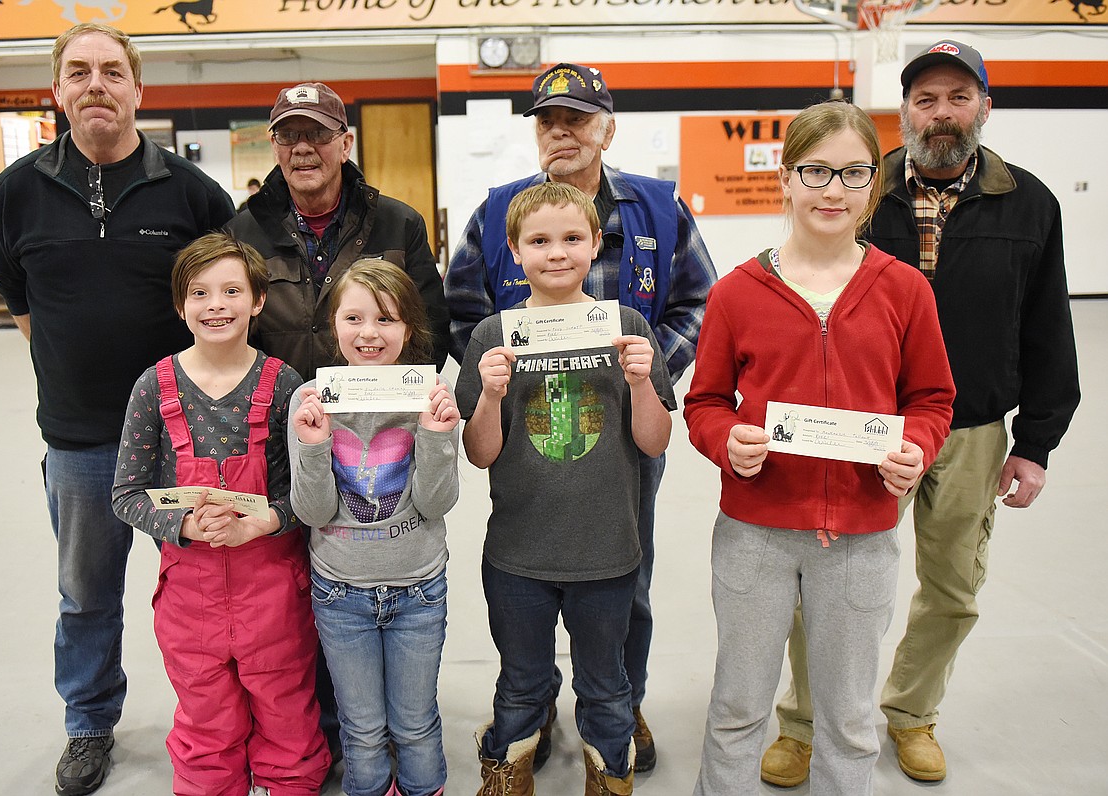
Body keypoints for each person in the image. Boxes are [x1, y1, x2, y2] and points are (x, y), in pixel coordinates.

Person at [762, 41, 1082, 787]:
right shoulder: (866, 196)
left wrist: (1035, 443)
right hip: (862, 426)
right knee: (829, 579)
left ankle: (911, 714)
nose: (941, 113)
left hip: (969, 429)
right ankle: (805, 722)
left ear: (984, 106)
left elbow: (1048, 328)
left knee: (952, 586)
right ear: (904, 110)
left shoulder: (1029, 203)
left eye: (957, 98)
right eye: (926, 100)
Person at [443, 62, 717, 772]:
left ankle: (620, 705)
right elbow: (465, 311)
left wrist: (647, 376)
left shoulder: (659, 207)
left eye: (577, 118)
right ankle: (530, 710)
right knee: (526, 581)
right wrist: (494, 380)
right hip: (527, 440)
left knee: (627, 572)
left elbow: (700, 301)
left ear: (607, 128)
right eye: (547, 120)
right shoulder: (498, 210)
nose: (561, 131)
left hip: (625, 432)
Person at [0, 22, 235, 796]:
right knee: (86, 592)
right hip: (81, 442)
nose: (97, 84)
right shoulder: (20, 187)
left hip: (183, 442)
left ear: (137, 88)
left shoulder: (190, 191)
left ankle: (220, 723)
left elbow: (227, 295)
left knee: (202, 591)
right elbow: (22, 301)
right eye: (80, 72)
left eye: (112, 71)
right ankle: (89, 722)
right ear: (57, 89)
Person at [684, 100, 956, 794]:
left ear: (874, 184)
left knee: (847, 714)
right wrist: (727, 442)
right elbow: (706, 402)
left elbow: (931, 399)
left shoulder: (904, 291)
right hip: (755, 537)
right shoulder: (738, 293)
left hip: (862, 539)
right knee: (740, 706)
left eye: (853, 173)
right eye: (816, 171)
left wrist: (917, 449)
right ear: (786, 179)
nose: (833, 190)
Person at [455, 182, 675, 795]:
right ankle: (510, 769)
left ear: (596, 244)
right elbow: (479, 454)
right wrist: (492, 396)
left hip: (606, 551)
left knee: (606, 686)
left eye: (573, 238)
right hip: (518, 554)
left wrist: (638, 385)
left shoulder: (625, 327)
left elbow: (655, 442)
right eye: (539, 241)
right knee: (521, 681)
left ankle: (608, 776)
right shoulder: (492, 337)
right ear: (514, 251)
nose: (557, 253)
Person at [111, 233, 330, 795]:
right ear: (180, 304)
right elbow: (127, 493)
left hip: (274, 594)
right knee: (206, 722)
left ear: (257, 300)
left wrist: (270, 520)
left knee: (287, 714)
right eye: (200, 293)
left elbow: (306, 493)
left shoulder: (284, 384)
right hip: (191, 599)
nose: (216, 305)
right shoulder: (154, 387)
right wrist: (181, 524)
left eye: (233, 290)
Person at [288, 259, 459, 796]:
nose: (368, 333)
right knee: (361, 729)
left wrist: (433, 435)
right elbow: (313, 513)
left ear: (409, 327)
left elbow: (436, 503)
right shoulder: (309, 403)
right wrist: (315, 447)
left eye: (386, 319)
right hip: (340, 593)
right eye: (354, 318)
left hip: (418, 590)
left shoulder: (428, 399)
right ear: (332, 324)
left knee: (415, 724)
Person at [226, 81, 450, 379]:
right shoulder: (241, 236)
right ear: (274, 147)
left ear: (345, 145)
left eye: (318, 133)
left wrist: (394, 403)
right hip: (278, 417)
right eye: (288, 135)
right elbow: (231, 334)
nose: (302, 147)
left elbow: (430, 330)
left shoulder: (400, 224)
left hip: (378, 416)